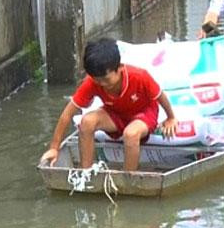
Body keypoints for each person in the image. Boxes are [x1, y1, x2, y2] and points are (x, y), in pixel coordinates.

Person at [40, 37, 178, 172]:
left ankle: (128, 178)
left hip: (143, 114)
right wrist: (54, 147)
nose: (102, 84)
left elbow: (160, 96)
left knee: (130, 134)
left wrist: (171, 117)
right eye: (97, 80)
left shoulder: (140, 76)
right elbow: (67, 113)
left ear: (120, 68)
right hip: (115, 113)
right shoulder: (92, 82)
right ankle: (85, 173)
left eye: (106, 79)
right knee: (87, 121)